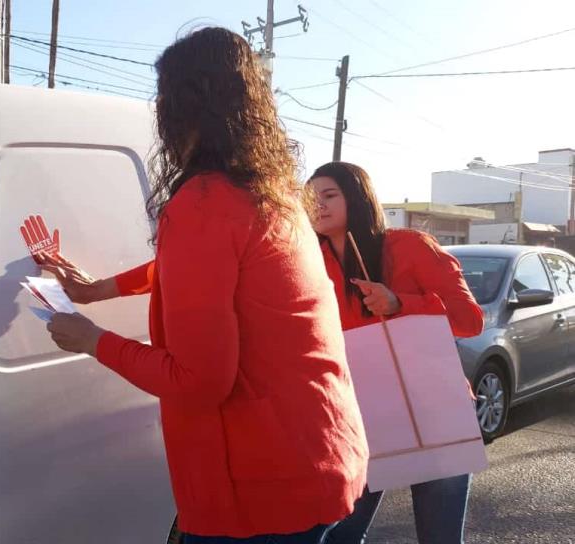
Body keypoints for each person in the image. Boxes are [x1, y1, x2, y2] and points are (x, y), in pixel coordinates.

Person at [39, 27, 369, 543]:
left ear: (183, 106)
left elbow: (198, 380)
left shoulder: (204, 203)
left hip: (262, 487)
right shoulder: (271, 194)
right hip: (322, 452)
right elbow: (209, 273)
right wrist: (97, 289)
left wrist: (92, 340)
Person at [308, 161, 484, 544]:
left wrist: (399, 302)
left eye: (329, 195)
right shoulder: (310, 263)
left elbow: (470, 320)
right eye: (312, 198)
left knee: (440, 537)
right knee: (339, 535)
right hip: (362, 415)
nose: (317, 204)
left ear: (356, 196)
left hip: (436, 410)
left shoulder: (408, 246)